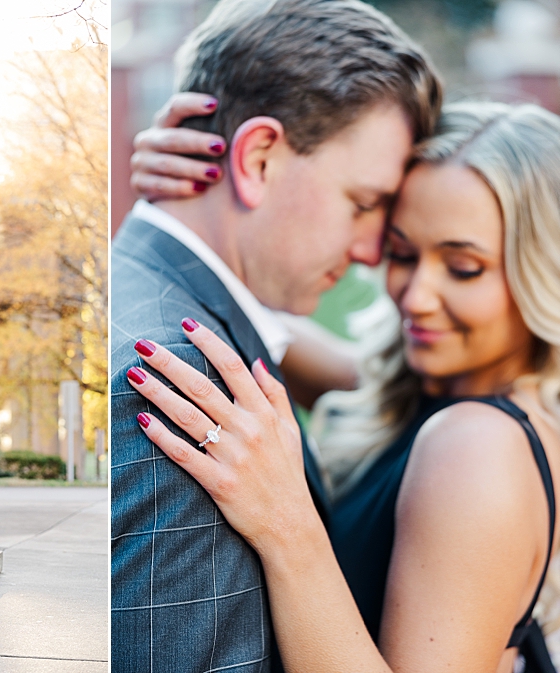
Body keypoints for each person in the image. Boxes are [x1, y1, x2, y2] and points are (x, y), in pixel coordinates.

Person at [126, 101, 560, 672]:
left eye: (463, 268)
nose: (415, 296)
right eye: (403, 253)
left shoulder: (477, 445)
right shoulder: (434, 392)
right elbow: (261, 320)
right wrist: (194, 198)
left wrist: (288, 525)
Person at [110, 0, 441, 670]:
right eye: (364, 203)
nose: (376, 250)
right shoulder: (187, 386)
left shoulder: (164, 305)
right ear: (258, 158)